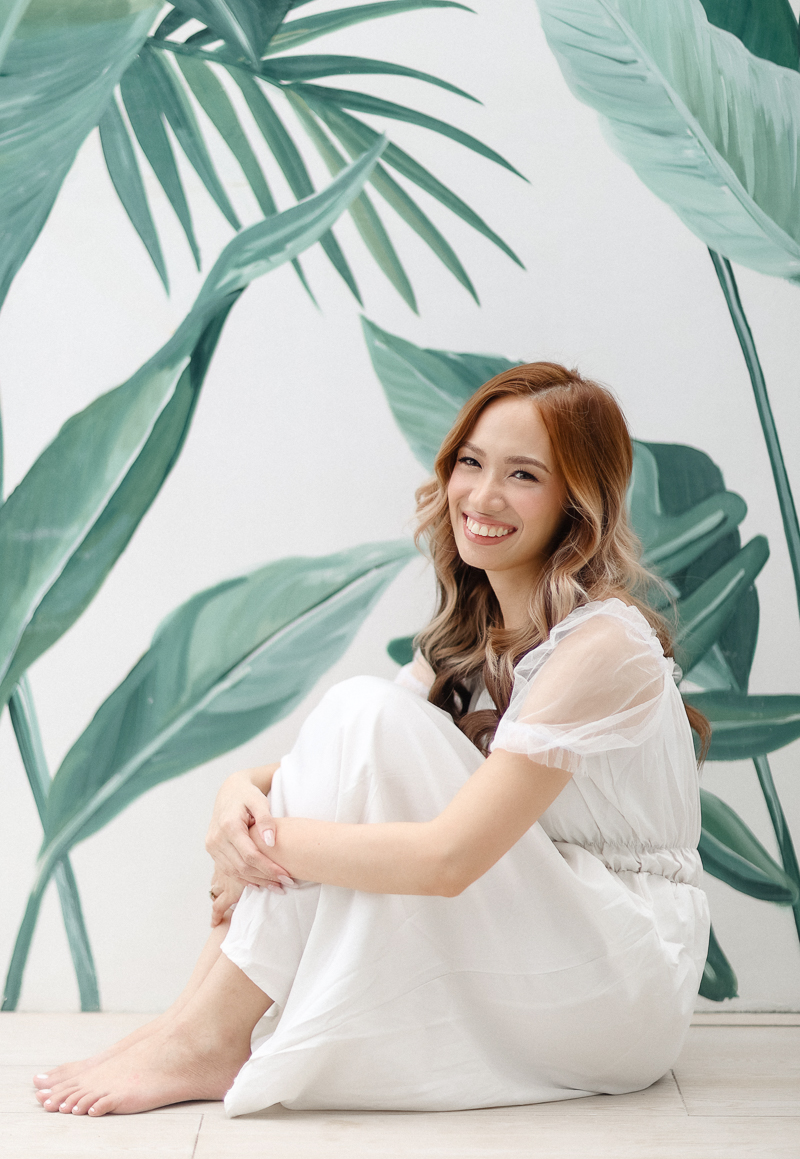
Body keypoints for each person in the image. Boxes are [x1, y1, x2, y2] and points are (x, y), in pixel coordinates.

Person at [34, 362, 710, 1118]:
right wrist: (237, 796)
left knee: (361, 715)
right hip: (548, 937)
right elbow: (334, 769)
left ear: (577, 503)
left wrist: (264, 844)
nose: (483, 496)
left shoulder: (603, 644)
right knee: (359, 718)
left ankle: (206, 1036)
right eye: (471, 463)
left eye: (523, 475)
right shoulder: (468, 638)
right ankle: (190, 1025)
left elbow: (448, 860)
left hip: (622, 976)